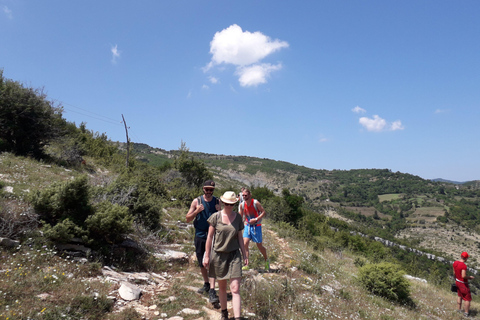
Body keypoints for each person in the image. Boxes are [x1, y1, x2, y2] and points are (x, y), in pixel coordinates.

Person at [204, 191, 248, 320]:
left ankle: (237, 317)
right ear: (223, 203)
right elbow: (210, 237)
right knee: (222, 288)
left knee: (235, 288)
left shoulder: (238, 218)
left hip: (234, 255)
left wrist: (244, 254)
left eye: (231, 204)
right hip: (218, 255)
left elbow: (240, 237)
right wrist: (207, 255)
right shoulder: (215, 217)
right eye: (227, 204)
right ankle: (224, 313)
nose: (229, 206)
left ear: (234, 204)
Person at [185, 180, 221, 304]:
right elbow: (188, 218)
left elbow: (223, 219)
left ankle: (212, 289)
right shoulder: (197, 201)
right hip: (200, 234)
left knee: (212, 260)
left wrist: (219, 211)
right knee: (201, 261)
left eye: (211, 189)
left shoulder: (217, 202)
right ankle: (206, 283)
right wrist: (196, 211)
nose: (209, 192)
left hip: (214, 235)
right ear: (203, 189)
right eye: (207, 189)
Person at [239, 188, 269, 271]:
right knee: (245, 243)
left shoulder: (255, 203)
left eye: (246, 195)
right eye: (243, 195)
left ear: (250, 195)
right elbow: (240, 216)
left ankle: (266, 260)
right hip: (247, 226)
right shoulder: (242, 205)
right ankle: (246, 264)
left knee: (259, 246)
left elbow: (263, 212)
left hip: (257, 226)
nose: (244, 197)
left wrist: (256, 219)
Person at [453, 252, 475, 317]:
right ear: (466, 258)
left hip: (457, 282)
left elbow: (454, 273)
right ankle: (466, 313)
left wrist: (456, 279)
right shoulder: (464, 266)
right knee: (467, 299)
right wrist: (469, 277)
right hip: (463, 284)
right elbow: (463, 276)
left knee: (459, 296)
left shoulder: (455, 263)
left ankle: (459, 309)